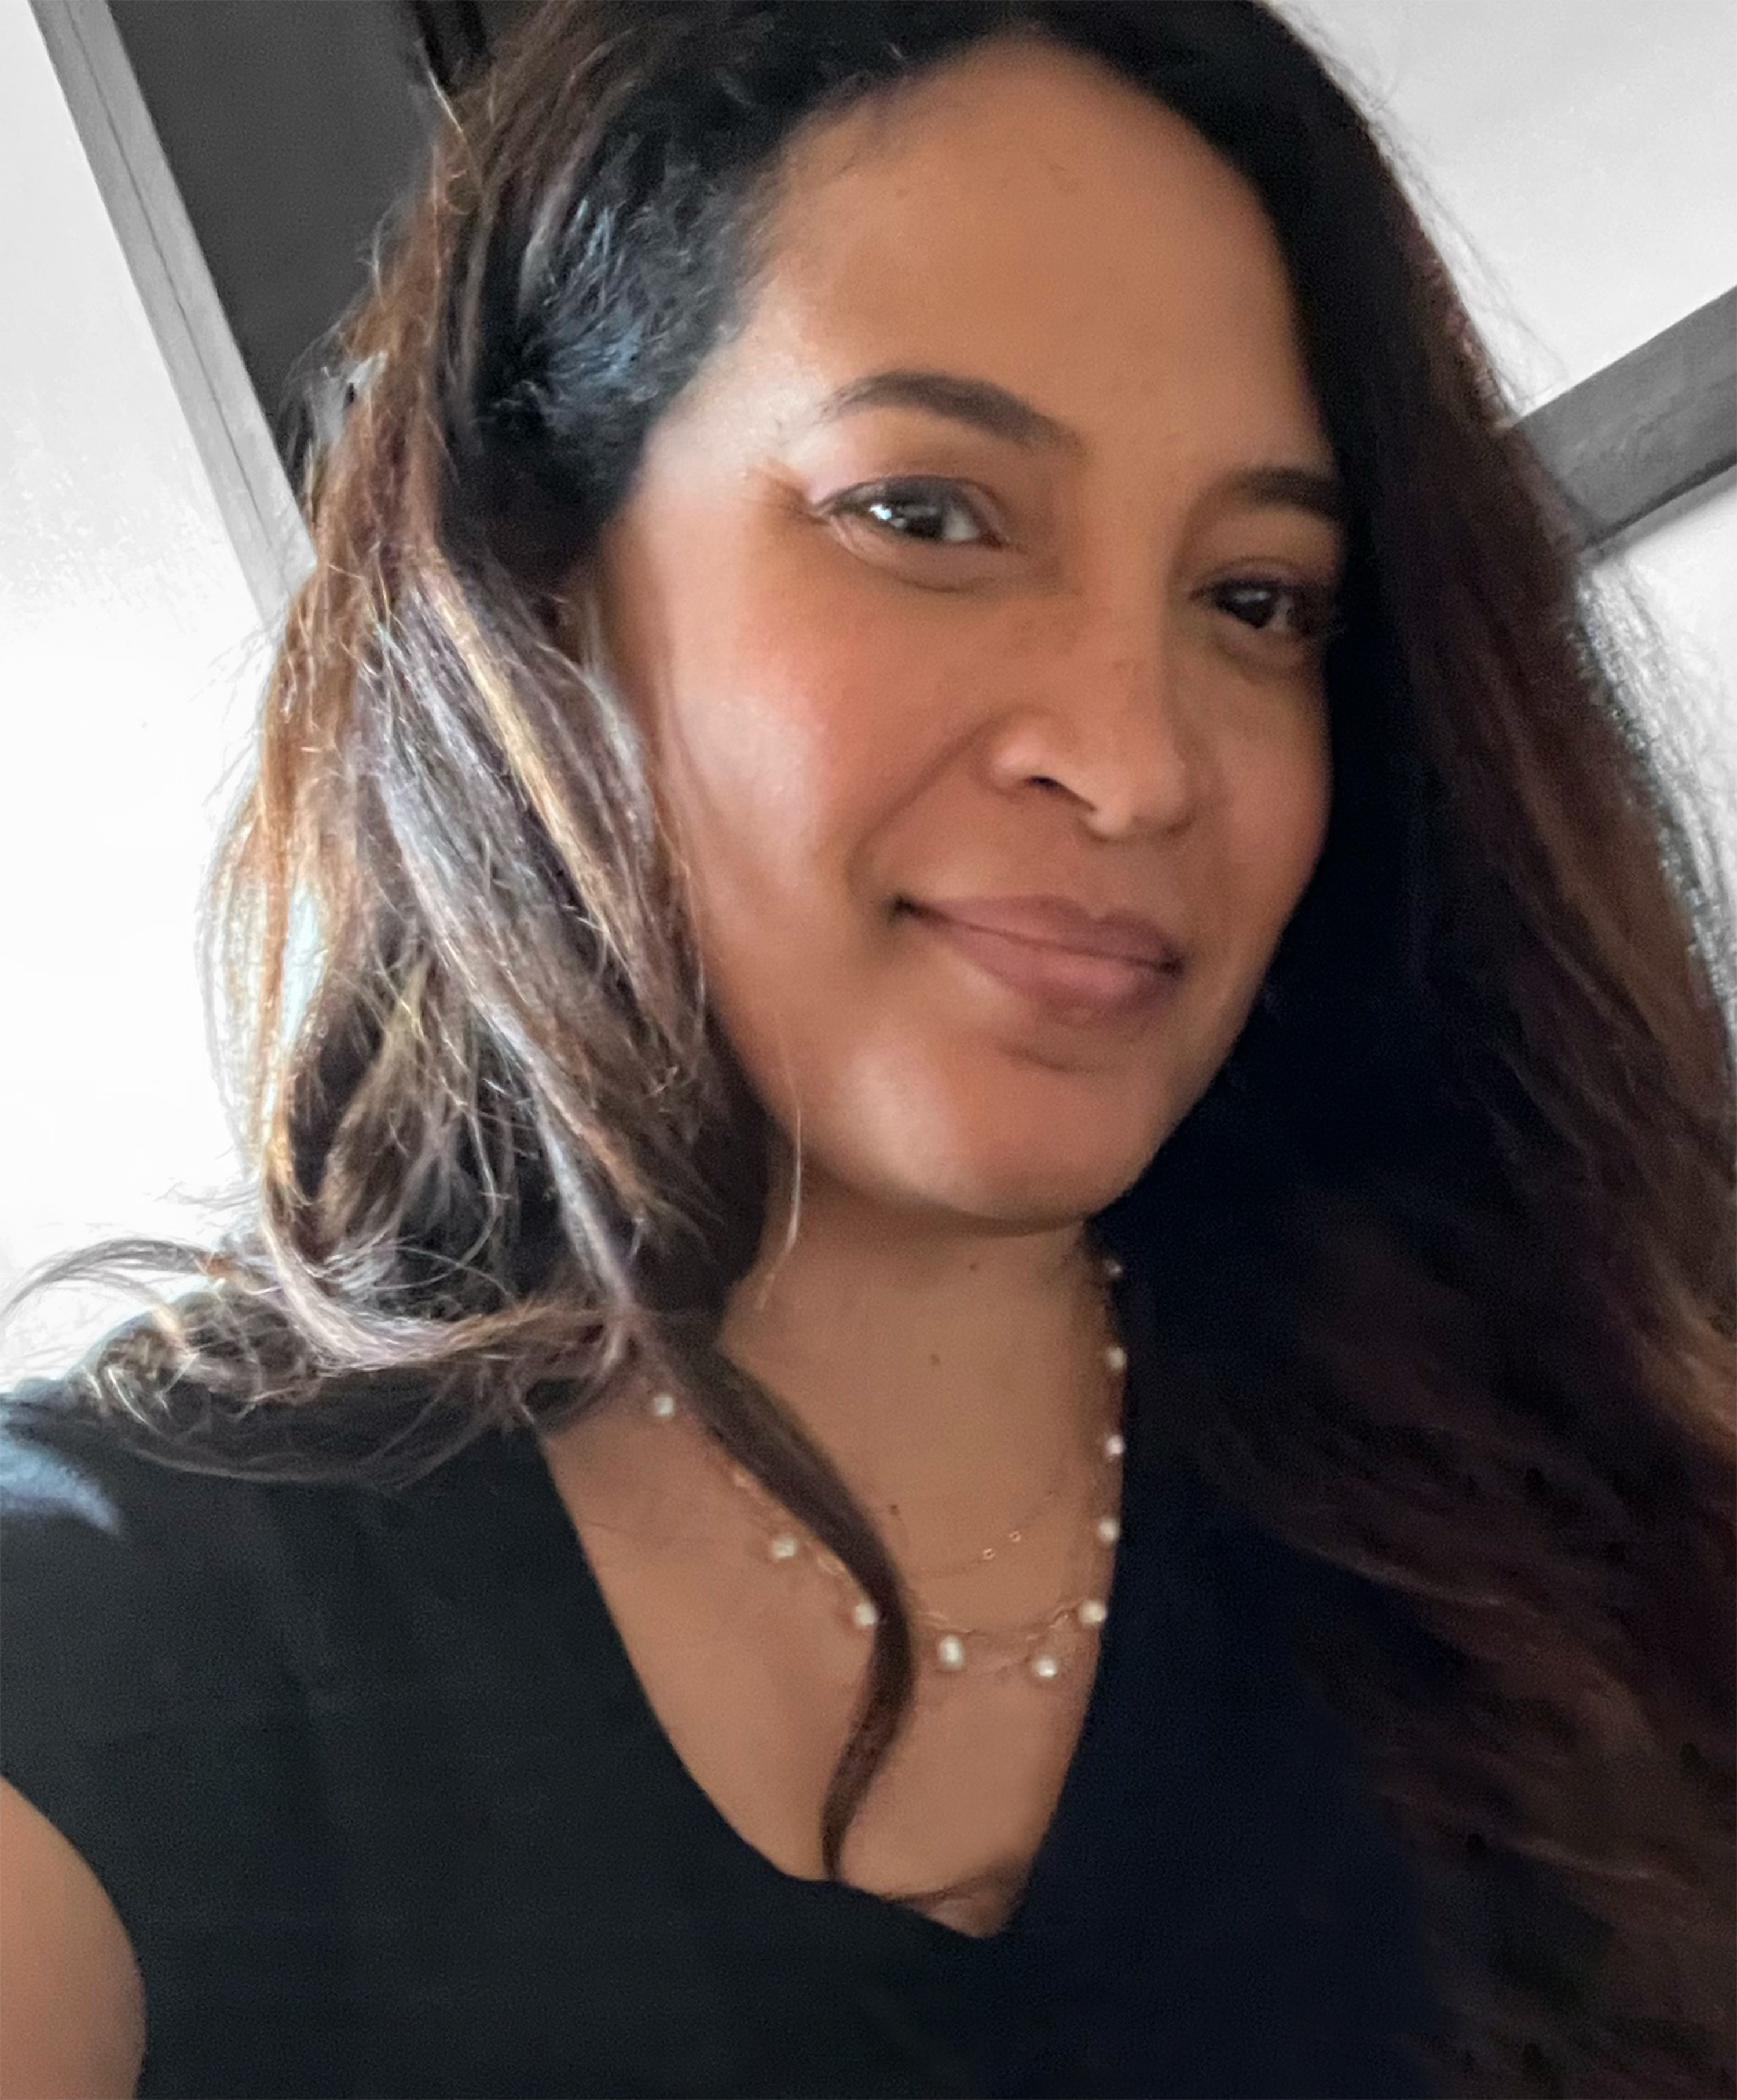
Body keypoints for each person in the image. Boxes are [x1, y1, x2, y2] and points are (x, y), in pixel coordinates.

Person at [3, 0, 1736, 2092]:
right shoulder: (135, 1623)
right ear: (543, 581)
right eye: (926, 515)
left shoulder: (1619, 1425)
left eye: (1261, 599)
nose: (1134, 761)